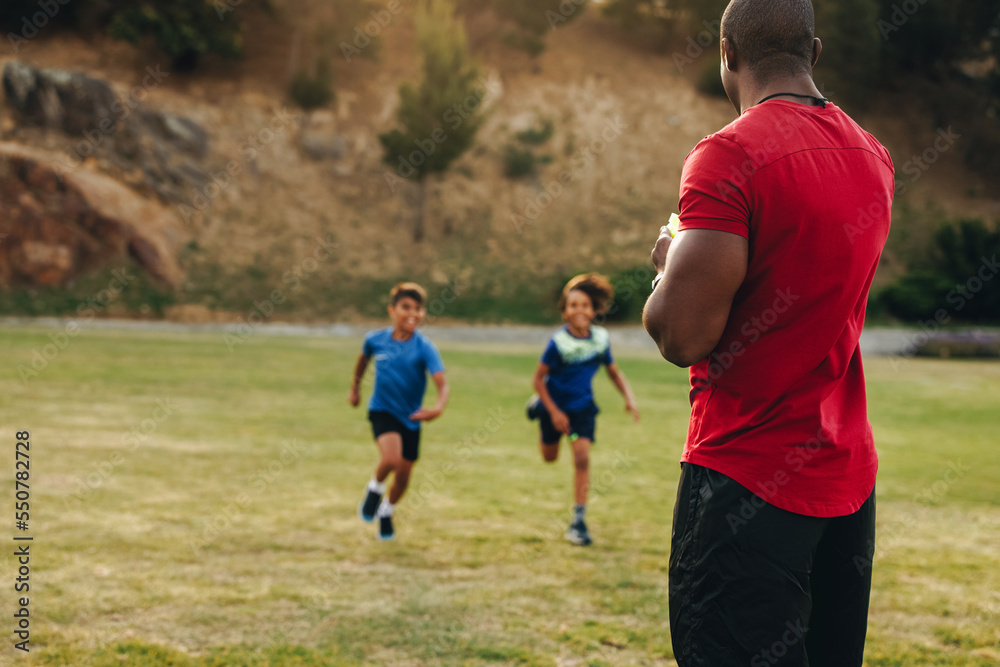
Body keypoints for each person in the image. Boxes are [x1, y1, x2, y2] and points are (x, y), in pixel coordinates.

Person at [641, 0, 893, 664]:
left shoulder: (728, 155)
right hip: (846, 485)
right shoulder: (875, 157)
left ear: (727, 53)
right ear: (815, 54)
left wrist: (667, 271)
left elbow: (682, 335)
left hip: (746, 479)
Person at [527, 273, 640, 546]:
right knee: (549, 457)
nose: (579, 310)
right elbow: (538, 379)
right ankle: (538, 408)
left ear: (593, 310)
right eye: (573, 305)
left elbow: (613, 372)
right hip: (554, 407)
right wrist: (553, 412)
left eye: (585, 305)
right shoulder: (558, 343)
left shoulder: (600, 340)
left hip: (581, 411)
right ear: (565, 311)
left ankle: (578, 521)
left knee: (581, 458)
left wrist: (629, 397)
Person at [349, 282, 449, 541]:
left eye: (418, 309)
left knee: (404, 478)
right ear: (392, 310)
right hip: (382, 410)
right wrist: (355, 389)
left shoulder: (424, 347)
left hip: (412, 419)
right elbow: (362, 362)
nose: (412, 313)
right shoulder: (375, 340)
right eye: (406, 307)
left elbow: (442, 382)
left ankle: (386, 510)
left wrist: (438, 407)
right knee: (391, 459)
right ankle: (374, 489)